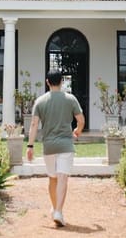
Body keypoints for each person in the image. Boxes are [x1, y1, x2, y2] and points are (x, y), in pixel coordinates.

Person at [26, 70, 85, 227]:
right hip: (66, 144)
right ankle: (58, 211)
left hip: (49, 146)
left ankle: (55, 209)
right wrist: (77, 132)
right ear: (62, 81)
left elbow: (33, 125)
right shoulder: (70, 99)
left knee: (53, 178)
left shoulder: (40, 101)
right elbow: (80, 120)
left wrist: (30, 146)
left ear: (47, 82)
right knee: (63, 178)